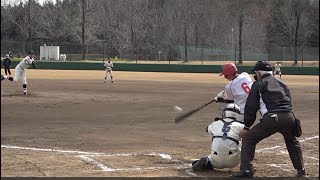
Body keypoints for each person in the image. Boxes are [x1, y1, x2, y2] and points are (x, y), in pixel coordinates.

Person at [232, 60, 305, 178]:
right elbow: (288, 102)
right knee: (292, 141)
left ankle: (246, 170)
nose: (254, 75)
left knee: (249, 138)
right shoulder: (282, 83)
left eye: (255, 73)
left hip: (272, 118)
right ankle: (301, 170)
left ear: (259, 73)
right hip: (289, 116)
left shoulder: (258, 84)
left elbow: (251, 107)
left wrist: (246, 127)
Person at [192, 103, 244, 171]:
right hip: (234, 162)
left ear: (226, 113)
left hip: (216, 161)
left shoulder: (216, 123)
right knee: (243, 144)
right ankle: (247, 167)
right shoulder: (240, 125)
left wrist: (218, 123)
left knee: (202, 160)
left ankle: (207, 162)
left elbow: (207, 129)